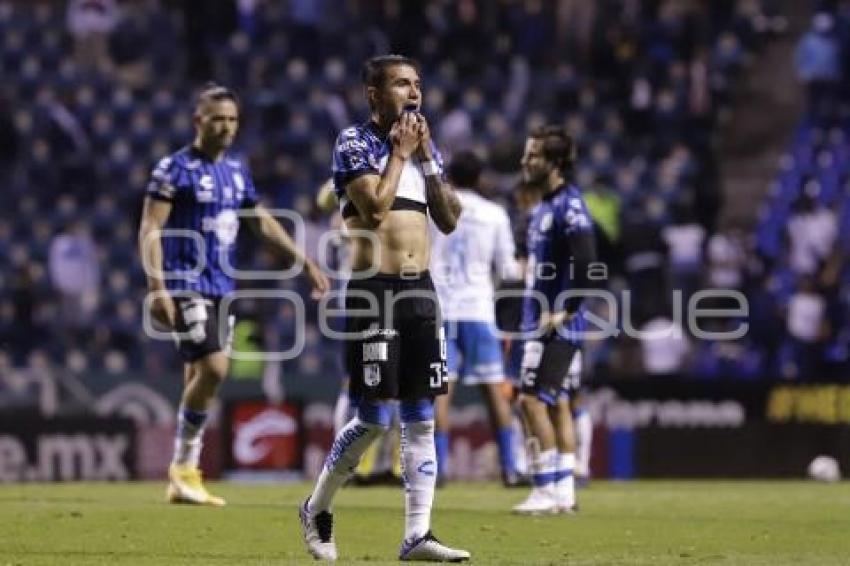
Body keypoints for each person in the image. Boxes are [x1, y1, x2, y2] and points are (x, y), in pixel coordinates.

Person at [299, 55, 470, 562]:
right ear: (374, 93)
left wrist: (429, 161)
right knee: (373, 420)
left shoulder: (423, 148)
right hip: (375, 290)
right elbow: (373, 211)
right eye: (401, 83)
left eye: (417, 83)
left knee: (421, 418)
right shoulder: (353, 143)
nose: (413, 91)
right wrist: (400, 154)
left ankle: (417, 534)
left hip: (422, 292)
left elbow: (450, 219)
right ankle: (316, 507)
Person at [138, 83, 329, 506]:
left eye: (232, 120)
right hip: (184, 282)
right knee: (216, 369)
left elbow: (260, 222)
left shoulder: (237, 170)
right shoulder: (173, 169)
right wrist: (157, 288)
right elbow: (150, 227)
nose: (225, 127)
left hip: (222, 285)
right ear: (197, 122)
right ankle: (184, 467)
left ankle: (183, 479)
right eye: (217, 119)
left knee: (199, 376)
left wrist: (304, 261)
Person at [513, 126, 597, 515]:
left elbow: (587, 262)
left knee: (531, 402)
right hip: (538, 322)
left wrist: (566, 309)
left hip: (559, 325)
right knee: (558, 402)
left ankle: (545, 490)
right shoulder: (542, 208)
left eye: (533, 155)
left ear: (555, 163)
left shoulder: (570, 205)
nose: (525, 161)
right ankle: (564, 492)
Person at [430, 150, 522, 487]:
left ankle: (439, 470)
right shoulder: (495, 214)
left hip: (440, 308)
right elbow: (509, 269)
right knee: (494, 391)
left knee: (440, 390)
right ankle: (510, 468)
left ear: (449, 176)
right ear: (480, 178)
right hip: (478, 309)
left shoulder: (433, 209)